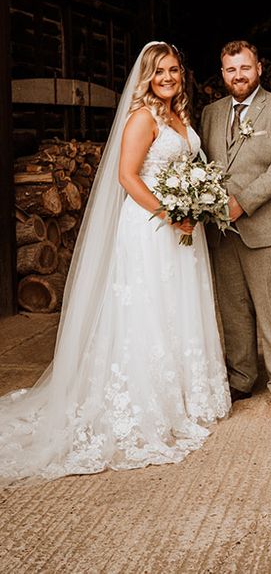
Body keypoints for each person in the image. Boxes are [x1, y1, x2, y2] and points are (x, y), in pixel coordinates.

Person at [0, 42, 230, 485]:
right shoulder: (142, 117)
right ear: (146, 76)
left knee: (178, 304)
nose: (168, 78)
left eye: (174, 71)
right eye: (160, 71)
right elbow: (127, 177)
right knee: (147, 309)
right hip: (150, 226)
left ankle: (186, 393)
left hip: (182, 227)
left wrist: (196, 203)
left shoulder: (179, 115)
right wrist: (170, 212)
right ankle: (146, 400)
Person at [200, 40, 271, 418]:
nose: (238, 75)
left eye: (244, 68)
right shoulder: (211, 113)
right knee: (234, 309)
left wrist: (242, 202)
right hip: (221, 228)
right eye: (231, 69)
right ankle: (241, 376)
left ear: (258, 68)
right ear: (223, 72)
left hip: (268, 223)